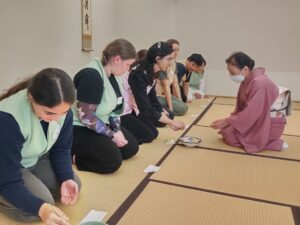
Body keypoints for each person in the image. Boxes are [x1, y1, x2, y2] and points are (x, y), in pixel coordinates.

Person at [0, 68, 81, 225]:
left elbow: (61, 148)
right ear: (31, 97)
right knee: (39, 206)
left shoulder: (63, 111)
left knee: (72, 184)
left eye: (62, 113)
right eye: (49, 113)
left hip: (33, 157)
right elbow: (9, 180)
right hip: (6, 166)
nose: (56, 119)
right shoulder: (7, 120)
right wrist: (41, 209)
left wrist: (66, 178)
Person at [71, 39, 139, 174]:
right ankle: (74, 156)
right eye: (128, 64)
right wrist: (112, 135)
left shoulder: (114, 74)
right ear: (117, 59)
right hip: (79, 127)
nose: (128, 69)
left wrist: (117, 130)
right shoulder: (91, 76)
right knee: (112, 161)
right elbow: (86, 117)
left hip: (101, 122)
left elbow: (116, 109)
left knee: (130, 148)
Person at [211, 52, 288, 153]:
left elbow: (252, 112)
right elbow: (242, 107)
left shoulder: (260, 83)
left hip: (268, 123)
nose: (230, 75)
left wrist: (227, 121)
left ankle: (272, 142)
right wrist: (229, 121)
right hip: (256, 119)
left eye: (232, 72)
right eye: (229, 72)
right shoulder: (246, 80)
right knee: (226, 131)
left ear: (245, 69)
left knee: (231, 136)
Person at [128, 41, 185, 138]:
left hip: (139, 107)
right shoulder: (139, 74)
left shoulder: (154, 71)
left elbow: (153, 99)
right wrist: (170, 122)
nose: (171, 62)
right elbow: (144, 108)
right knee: (149, 135)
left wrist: (165, 117)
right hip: (128, 110)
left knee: (161, 124)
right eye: (168, 59)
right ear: (158, 59)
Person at [121, 49, 157, 144]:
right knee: (148, 135)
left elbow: (150, 98)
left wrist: (160, 111)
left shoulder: (150, 76)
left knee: (154, 133)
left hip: (135, 108)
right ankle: (126, 136)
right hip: (125, 111)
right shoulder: (134, 74)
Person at [155, 39, 188, 116]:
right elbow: (166, 88)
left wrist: (180, 101)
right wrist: (171, 109)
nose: (176, 52)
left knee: (185, 107)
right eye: (174, 49)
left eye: (177, 50)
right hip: (158, 96)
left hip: (164, 95)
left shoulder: (173, 63)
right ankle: (159, 110)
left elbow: (175, 85)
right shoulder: (163, 63)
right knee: (182, 109)